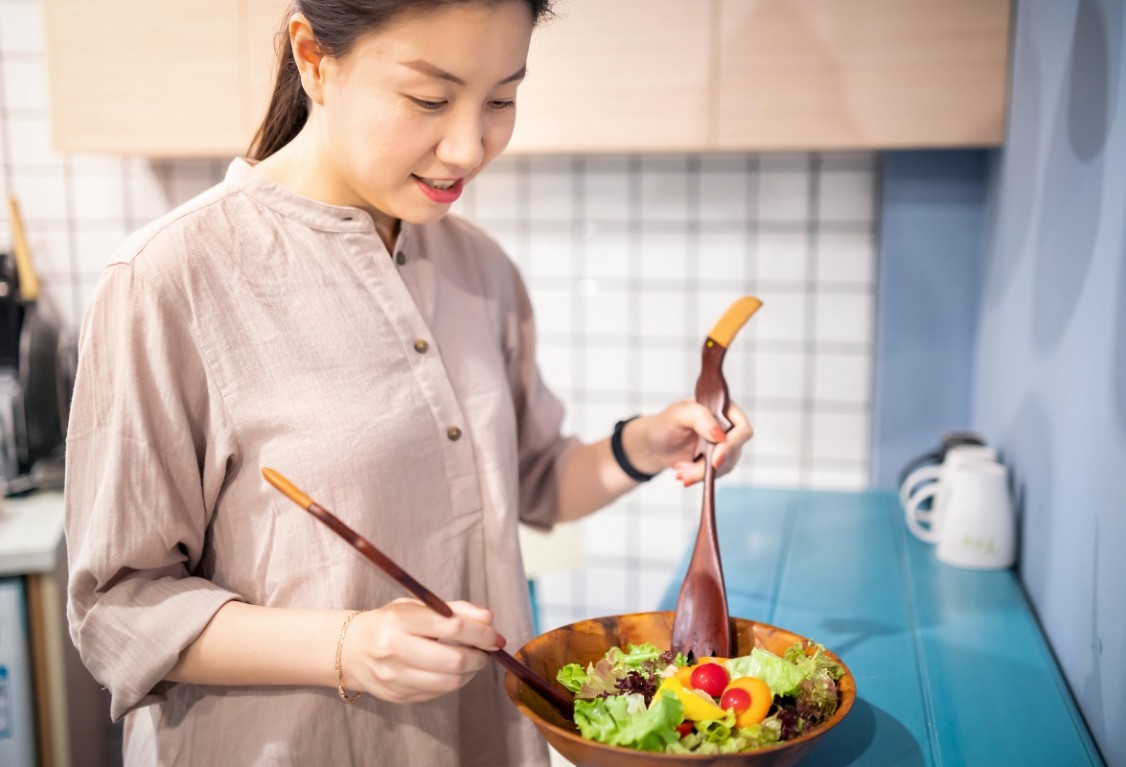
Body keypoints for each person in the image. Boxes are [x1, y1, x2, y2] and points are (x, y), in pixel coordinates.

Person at [63, 1, 754, 765]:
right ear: (313, 58)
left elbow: (529, 482)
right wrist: (346, 645)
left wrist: (646, 444)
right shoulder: (167, 280)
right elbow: (118, 608)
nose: (467, 146)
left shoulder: (480, 268)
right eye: (429, 99)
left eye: (501, 99)